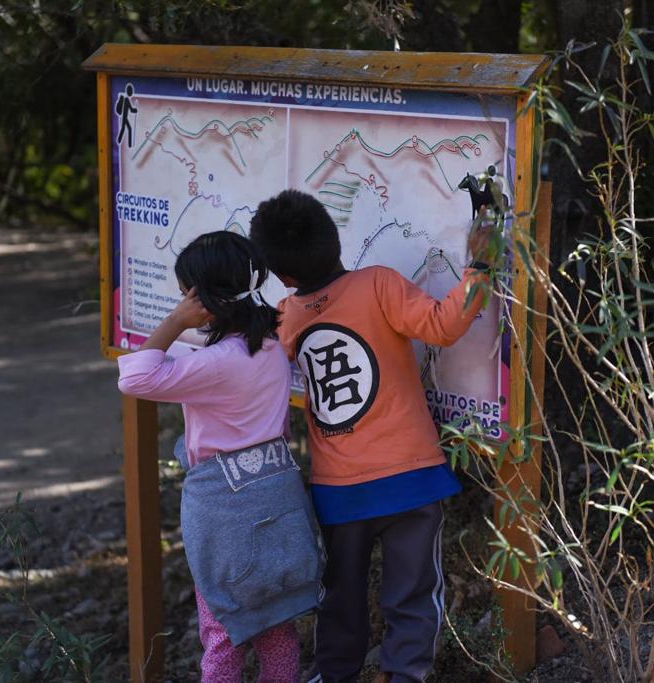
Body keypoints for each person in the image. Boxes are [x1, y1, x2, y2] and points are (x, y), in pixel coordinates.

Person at [249, 190, 492, 683]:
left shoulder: (286, 316)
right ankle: (405, 675)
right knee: (413, 593)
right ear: (336, 241)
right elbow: (444, 326)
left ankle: (334, 674)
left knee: (339, 595)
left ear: (285, 277)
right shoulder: (379, 284)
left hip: (338, 489)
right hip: (411, 479)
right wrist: (481, 265)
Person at [117, 231, 322, 682]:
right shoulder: (269, 347)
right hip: (277, 492)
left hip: (225, 508)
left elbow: (135, 380)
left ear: (202, 298)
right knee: (276, 623)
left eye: (185, 293)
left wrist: (173, 321)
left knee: (223, 629)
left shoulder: (216, 362)